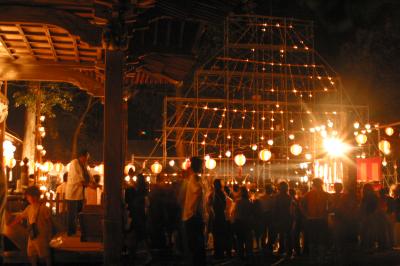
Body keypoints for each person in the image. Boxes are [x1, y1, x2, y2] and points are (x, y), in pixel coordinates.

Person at [10, 186, 52, 266]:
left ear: (37, 196)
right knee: (31, 254)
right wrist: (11, 224)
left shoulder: (44, 208)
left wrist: (50, 235)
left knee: (45, 255)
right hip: (32, 236)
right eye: (29, 197)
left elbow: (49, 223)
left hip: (42, 236)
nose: (30, 198)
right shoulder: (29, 208)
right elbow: (21, 216)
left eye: (32, 196)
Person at [182, 157, 206, 266]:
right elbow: (197, 191)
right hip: (194, 216)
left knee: (195, 243)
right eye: (202, 165)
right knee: (197, 244)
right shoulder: (195, 178)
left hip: (192, 215)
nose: (203, 168)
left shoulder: (194, 178)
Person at [301, 178, 329, 262]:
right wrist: (326, 212)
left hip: (312, 219)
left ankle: (312, 259)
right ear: (321, 184)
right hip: (322, 219)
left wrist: (306, 215)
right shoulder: (325, 194)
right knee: (321, 239)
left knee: (312, 239)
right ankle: (321, 259)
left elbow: (301, 205)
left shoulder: (308, 194)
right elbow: (332, 204)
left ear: (313, 184)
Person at [65, 149, 91, 235]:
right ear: (81, 156)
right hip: (72, 193)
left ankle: (77, 230)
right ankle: (71, 232)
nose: (86, 159)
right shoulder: (74, 163)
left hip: (80, 194)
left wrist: (93, 182)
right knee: (72, 215)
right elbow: (77, 177)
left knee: (79, 213)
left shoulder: (84, 164)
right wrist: (89, 184)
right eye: (86, 157)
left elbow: (88, 175)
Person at [233, 186, 254, 260]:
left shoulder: (238, 202)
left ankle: (241, 255)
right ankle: (249, 254)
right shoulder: (250, 202)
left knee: (240, 240)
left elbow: (235, 213)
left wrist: (234, 221)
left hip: (239, 222)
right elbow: (251, 213)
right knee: (247, 240)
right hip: (247, 222)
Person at [272, 181, 292, 256]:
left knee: (281, 234)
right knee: (288, 234)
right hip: (287, 217)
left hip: (280, 217)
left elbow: (275, 208)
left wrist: (274, 218)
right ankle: (289, 250)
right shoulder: (289, 197)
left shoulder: (277, 197)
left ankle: (282, 249)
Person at [210, 179, 227, 259]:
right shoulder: (223, 194)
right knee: (221, 235)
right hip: (221, 216)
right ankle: (221, 252)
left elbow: (211, 205)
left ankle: (218, 253)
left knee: (217, 235)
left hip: (216, 216)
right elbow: (224, 205)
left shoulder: (214, 194)